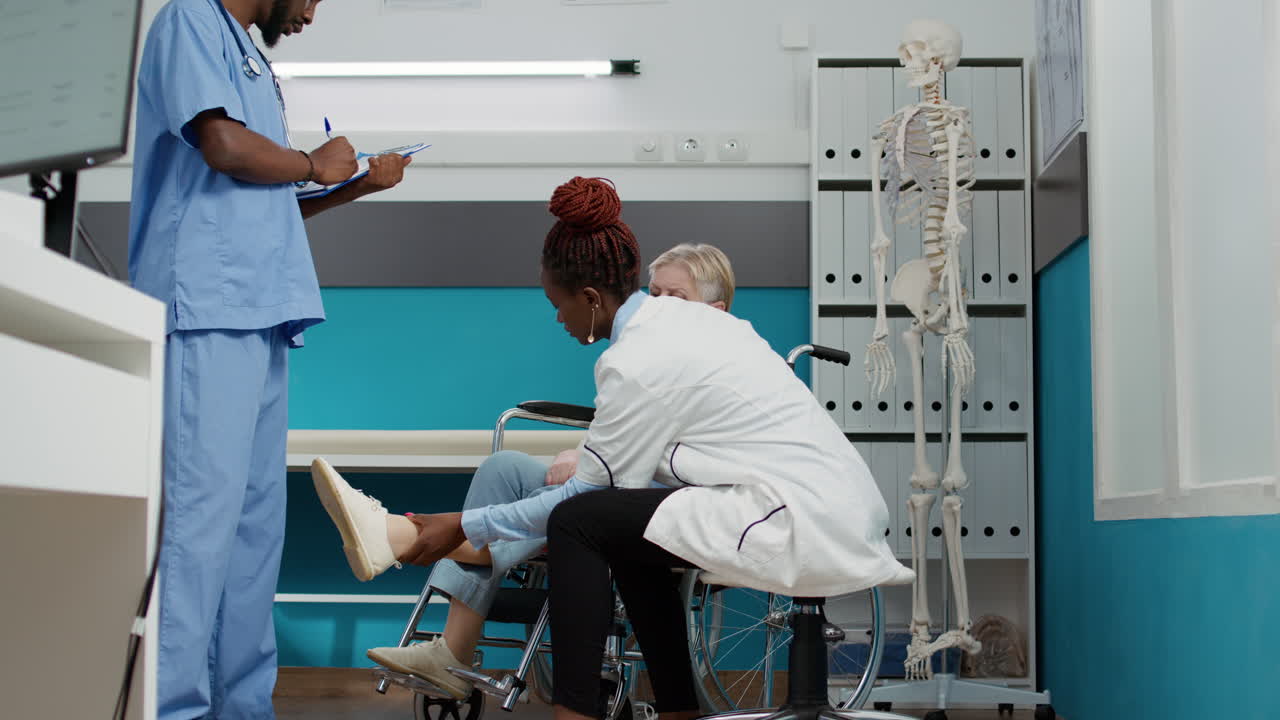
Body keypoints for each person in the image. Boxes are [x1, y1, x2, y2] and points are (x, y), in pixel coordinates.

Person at [310, 177, 912, 720]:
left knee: (581, 521)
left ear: (591, 296)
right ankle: (677, 711)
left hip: (794, 516)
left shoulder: (638, 358)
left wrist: (460, 524)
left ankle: (570, 708)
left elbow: (582, 494)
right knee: (627, 530)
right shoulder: (694, 328)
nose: (558, 320)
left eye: (557, 304)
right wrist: (469, 525)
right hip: (823, 503)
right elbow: (619, 479)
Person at [128, 1, 410, 717]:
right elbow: (223, 147)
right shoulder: (189, 17)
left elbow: (264, 200)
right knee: (200, 526)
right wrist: (313, 163)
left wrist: (347, 186)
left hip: (259, 312)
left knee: (255, 533)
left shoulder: (250, 57)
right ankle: (172, 709)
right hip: (207, 308)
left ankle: (241, 705)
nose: (313, 10)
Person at [316, 242, 740, 698]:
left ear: (715, 312)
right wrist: (582, 450)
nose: (658, 308)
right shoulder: (648, 356)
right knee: (505, 468)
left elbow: (660, 457)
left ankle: (397, 536)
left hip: (660, 506)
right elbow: (624, 430)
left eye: (675, 298)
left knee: (581, 505)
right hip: (613, 483)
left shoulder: (715, 368)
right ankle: (452, 652)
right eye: (653, 295)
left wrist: (591, 462)